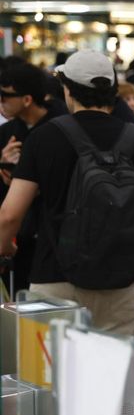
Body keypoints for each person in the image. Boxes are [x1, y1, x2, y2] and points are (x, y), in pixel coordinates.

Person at [0, 49, 134, 335]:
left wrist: (6, 247)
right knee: (110, 375)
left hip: (54, 277)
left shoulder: (44, 137)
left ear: (68, 91)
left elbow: (9, 214)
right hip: (119, 281)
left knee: (50, 375)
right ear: (113, 90)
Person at [0, 64, 63, 294]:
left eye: (6, 95)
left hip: (54, 238)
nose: (2, 101)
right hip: (18, 240)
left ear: (27, 99)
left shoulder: (62, 127)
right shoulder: (7, 133)